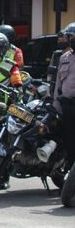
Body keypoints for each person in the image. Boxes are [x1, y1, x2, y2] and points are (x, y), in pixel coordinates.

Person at [55, 22, 75, 170]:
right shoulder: (65, 58)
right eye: (69, 37)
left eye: (73, 36)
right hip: (67, 105)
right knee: (69, 140)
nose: (71, 39)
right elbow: (58, 86)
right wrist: (56, 107)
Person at [48, 30, 71, 95]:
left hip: (68, 90)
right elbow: (50, 73)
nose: (60, 41)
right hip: (55, 87)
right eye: (59, 40)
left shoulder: (72, 56)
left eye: (63, 39)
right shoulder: (56, 54)